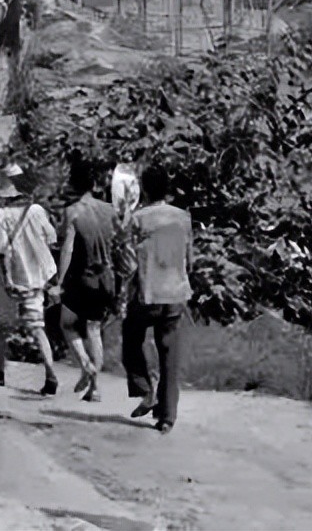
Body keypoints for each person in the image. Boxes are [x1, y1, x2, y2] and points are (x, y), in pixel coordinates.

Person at [117, 164, 193, 434]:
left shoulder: (138, 219)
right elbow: (189, 258)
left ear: (145, 190)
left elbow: (127, 261)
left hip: (148, 293)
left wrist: (125, 290)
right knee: (169, 353)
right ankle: (167, 417)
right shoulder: (183, 218)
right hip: (176, 293)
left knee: (131, 337)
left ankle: (145, 389)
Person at [0, 167, 60, 395]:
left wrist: (6, 280)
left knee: (1, 327)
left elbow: (0, 251)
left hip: (11, 280)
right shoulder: (37, 211)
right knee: (37, 329)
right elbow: (53, 238)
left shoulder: (1, 216)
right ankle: (50, 374)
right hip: (35, 279)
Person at [55, 154, 118, 403]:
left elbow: (67, 249)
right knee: (94, 329)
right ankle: (95, 388)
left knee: (67, 323)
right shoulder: (109, 210)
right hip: (107, 277)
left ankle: (86, 366)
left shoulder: (72, 212)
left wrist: (59, 282)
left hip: (83, 277)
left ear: (74, 184)